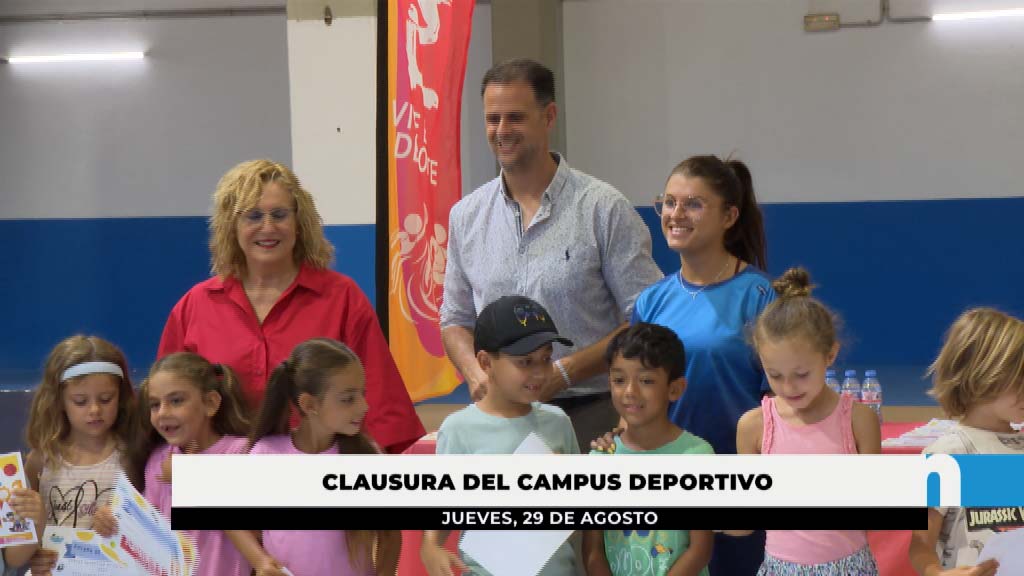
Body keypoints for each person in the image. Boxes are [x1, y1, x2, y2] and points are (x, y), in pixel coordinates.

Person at [440, 58, 663, 450]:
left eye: (515, 118)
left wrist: (565, 371)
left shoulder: (603, 208)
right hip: (500, 417)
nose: (502, 131)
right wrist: (477, 374)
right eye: (493, 119)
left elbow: (646, 317)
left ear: (549, 116)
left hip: (593, 411)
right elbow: (455, 319)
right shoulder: (466, 216)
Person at [158, 159, 423, 453]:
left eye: (280, 214)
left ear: (299, 223)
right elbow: (164, 400)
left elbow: (382, 407)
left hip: (319, 476)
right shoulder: (195, 306)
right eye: (253, 216)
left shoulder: (341, 298)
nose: (268, 227)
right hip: (221, 477)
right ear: (231, 227)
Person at [625, 154, 774, 575]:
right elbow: (635, 394)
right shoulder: (652, 301)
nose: (675, 214)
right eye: (668, 202)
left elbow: (777, 403)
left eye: (692, 204)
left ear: (729, 215)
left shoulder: (759, 296)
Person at [729, 268, 881, 575]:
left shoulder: (859, 420)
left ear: (830, 355)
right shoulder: (754, 426)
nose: (788, 387)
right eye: (775, 375)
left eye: (801, 375)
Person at [422, 295, 580, 576]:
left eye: (545, 359)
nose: (540, 372)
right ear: (485, 362)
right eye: (525, 361)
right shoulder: (459, 429)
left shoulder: (558, 423)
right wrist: (431, 546)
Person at [230, 338, 400, 576]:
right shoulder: (265, 454)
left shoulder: (367, 457)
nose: (364, 407)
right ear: (309, 404)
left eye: (363, 394)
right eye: (348, 398)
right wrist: (260, 561)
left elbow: (390, 536)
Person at [93, 352, 253, 576]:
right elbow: (148, 531)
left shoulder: (243, 453)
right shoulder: (159, 459)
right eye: (154, 405)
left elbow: (259, 534)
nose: (163, 413)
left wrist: (192, 478)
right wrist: (113, 520)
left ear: (210, 403)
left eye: (176, 401)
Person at [584, 323, 713, 576]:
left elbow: (700, 550)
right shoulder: (600, 459)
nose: (630, 392)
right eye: (619, 380)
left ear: (675, 388)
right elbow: (592, 551)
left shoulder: (697, 456)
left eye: (646, 380)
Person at [908, 308, 1024, 576]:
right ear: (982, 375)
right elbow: (920, 544)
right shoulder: (947, 454)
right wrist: (936, 573)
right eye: (1019, 378)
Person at [24, 335, 135, 531]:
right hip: (54, 562)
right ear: (59, 401)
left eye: (106, 399)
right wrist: (35, 551)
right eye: (80, 401)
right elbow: (25, 528)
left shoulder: (133, 455)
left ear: (121, 396)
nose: (94, 410)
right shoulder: (42, 458)